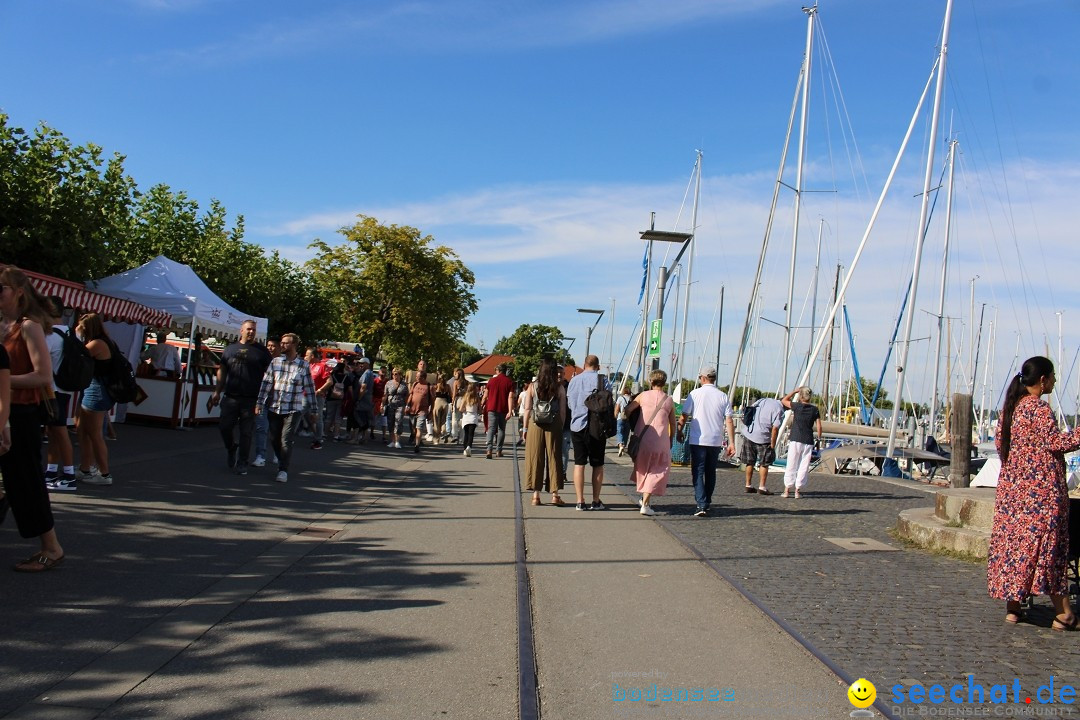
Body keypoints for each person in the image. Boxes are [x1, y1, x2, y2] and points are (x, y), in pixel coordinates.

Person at [987, 356, 1080, 631]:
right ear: (1043, 380)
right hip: (1040, 495)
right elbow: (1055, 442)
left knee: (1017, 547)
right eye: (1052, 377)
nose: (1053, 381)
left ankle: (1013, 608)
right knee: (1046, 550)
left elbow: (1001, 445)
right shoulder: (1037, 409)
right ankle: (1064, 614)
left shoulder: (1010, 409)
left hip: (1013, 492)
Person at [0, 265, 65, 571]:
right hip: (4, 411)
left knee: (25, 481)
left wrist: (5, 380)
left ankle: (51, 548)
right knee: (14, 481)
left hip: (22, 414)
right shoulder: (3, 324)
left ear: (18, 293)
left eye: (1, 288)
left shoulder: (28, 326)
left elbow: (42, 375)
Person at [208, 319, 272, 476]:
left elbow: (270, 374)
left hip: (251, 398)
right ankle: (231, 448)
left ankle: (243, 462)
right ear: (241, 330)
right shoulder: (230, 349)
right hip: (231, 396)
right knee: (224, 427)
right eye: (249, 329)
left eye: (254, 330)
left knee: (246, 432)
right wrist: (217, 391)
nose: (251, 332)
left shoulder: (262, 351)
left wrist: (266, 396)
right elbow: (222, 370)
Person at [256, 332, 317, 483]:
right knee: (274, 439)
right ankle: (281, 457)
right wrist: (259, 402)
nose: (282, 345)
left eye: (286, 343)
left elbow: (309, 388)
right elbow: (266, 383)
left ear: (294, 345)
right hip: (275, 406)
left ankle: (283, 469)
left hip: (293, 408)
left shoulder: (303, 365)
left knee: (286, 439)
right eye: (281, 343)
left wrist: (314, 410)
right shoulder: (275, 362)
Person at [677, 367, 735, 517]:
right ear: (714, 378)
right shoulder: (723, 396)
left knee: (698, 471)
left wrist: (679, 431)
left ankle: (701, 503)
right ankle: (706, 500)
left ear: (702, 378)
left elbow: (684, 416)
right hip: (715, 440)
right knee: (710, 472)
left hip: (698, 439)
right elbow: (729, 420)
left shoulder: (694, 394)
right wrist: (732, 443)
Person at [625, 370, 676, 516]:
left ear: (650, 381)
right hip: (661, 440)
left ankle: (644, 498)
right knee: (657, 470)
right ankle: (645, 504)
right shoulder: (668, 400)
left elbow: (628, 409)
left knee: (644, 468)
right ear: (664, 382)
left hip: (643, 438)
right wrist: (671, 438)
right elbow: (672, 423)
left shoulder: (643, 396)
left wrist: (634, 423)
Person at [75, 312, 117, 486]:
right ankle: (86, 467)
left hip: (97, 391)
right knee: (83, 430)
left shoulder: (96, 344)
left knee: (93, 433)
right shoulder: (106, 341)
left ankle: (104, 473)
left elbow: (77, 357)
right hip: (97, 389)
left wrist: (76, 335)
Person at [43, 296, 77, 492]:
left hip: (52, 390)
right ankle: (51, 471)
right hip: (64, 389)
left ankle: (69, 475)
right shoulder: (71, 334)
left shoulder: (49, 336)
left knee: (59, 431)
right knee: (55, 431)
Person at [522, 359, 566, 506]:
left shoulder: (532, 387)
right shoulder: (559, 388)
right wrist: (560, 425)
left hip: (535, 424)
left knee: (535, 457)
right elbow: (562, 411)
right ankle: (555, 495)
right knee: (554, 457)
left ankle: (536, 495)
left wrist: (525, 428)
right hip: (553, 424)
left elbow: (527, 409)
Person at [566, 354, 608, 511]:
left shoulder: (574, 381)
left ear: (584, 365)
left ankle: (579, 501)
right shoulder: (603, 380)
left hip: (577, 426)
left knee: (579, 464)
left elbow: (570, 404)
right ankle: (596, 501)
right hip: (597, 428)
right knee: (597, 465)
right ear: (598, 366)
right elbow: (608, 403)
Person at [780, 386, 822, 499]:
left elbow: (784, 400)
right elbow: (819, 425)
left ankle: (787, 490)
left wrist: (794, 391)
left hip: (795, 438)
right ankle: (797, 491)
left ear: (801, 396)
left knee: (791, 464)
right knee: (804, 465)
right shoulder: (815, 409)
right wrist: (819, 438)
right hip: (808, 440)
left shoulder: (797, 406)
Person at [740, 396, 785, 495]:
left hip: (750, 433)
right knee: (764, 463)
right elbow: (775, 428)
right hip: (764, 437)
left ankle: (748, 485)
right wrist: (772, 444)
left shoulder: (762, 400)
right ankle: (762, 487)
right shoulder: (779, 409)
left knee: (749, 462)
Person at [252, 337, 279, 467]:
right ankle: (260, 455)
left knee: (276, 430)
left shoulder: (283, 362)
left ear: (279, 347)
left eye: (273, 346)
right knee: (261, 428)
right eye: (268, 345)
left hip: (278, 400)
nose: (270, 348)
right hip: (263, 399)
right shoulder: (261, 360)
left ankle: (277, 454)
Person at [484, 363, 515, 459]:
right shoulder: (509, 382)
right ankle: (498, 450)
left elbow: (486, 395)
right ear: (505, 371)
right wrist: (510, 411)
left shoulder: (491, 381)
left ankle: (489, 450)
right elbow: (510, 397)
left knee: (491, 429)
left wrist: (482, 404)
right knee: (501, 429)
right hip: (503, 408)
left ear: (498, 370)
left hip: (491, 407)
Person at [407, 361, 434, 453]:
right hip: (412, 409)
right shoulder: (415, 384)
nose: (416, 378)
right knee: (413, 427)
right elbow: (411, 395)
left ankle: (417, 444)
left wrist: (431, 412)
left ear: (423, 378)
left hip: (422, 411)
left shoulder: (429, 386)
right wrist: (407, 405)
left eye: (418, 377)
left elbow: (432, 400)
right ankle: (415, 437)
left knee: (419, 427)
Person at [382, 367, 409, 448]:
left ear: (400, 374)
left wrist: (407, 406)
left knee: (398, 422)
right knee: (390, 423)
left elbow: (407, 396)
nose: (394, 375)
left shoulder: (404, 384)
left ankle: (397, 441)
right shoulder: (388, 383)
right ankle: (392, 441)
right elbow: (385, 395)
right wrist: (382, 404)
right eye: (393, 374)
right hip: (390, 405)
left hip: (400, 405)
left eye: (396, 374)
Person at [351, 357, 374, 444]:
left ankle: (355, 438)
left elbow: (363, 387)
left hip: (363, 400)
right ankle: (364, 438)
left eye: (362, 363)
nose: (360, 365)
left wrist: (358, 399)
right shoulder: (370, 373)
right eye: (360, 363)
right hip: (367, 399)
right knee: (365, 418)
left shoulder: (366, 373)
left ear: (367, 364)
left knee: (358, 417)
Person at [459, 381, 480, 457]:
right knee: (471, 434)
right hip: (473, 417)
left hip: (466, 416)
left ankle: (465, 449)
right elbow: (479, 409)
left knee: (466, 434)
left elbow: (461, 409)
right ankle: (469, 447)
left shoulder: (465, 397)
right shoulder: (477, 397)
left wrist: (464, 409)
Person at [432, 373, 452, 443]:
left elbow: (433, 395)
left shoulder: (437, 386)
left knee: (436, 421)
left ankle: (436, 439)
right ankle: (444, 432)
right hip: (445, 403)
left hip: (438, 402)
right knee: (443, 420)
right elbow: (451, 395)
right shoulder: (448, 386)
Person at [449, 367, 466, 443]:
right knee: (463, 419)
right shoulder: (466, 382)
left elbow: (454, 394)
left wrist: (452, 403)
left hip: (457, 400)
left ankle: (455, 435)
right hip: (464, 400)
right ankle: (462, 437)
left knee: (455, 418)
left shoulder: (456, 382)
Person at [615, 384, 632, 456]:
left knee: (619, 432)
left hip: (620, 418)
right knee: (626, 433)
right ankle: (623, 447)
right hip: (628, 418)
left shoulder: (620, 398)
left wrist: (615, 416)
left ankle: (620, 445)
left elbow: (617, 408)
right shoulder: (631, 399)